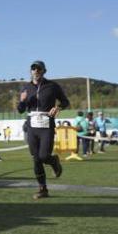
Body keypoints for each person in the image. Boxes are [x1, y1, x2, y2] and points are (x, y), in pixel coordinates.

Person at [17, 60, 69, 199]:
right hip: (32, 126)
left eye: (39, 69)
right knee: (36, 159)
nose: (36, 71)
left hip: (46, 125)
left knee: (44, 156)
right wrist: (22, 101)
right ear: (30, 71)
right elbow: (20, 110)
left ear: (44, 71)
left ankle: (54, 161)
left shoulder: (52, 86)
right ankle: (43, 189)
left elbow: (65, 102)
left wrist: (58, 107)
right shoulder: (26, 88)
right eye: (33, 69)